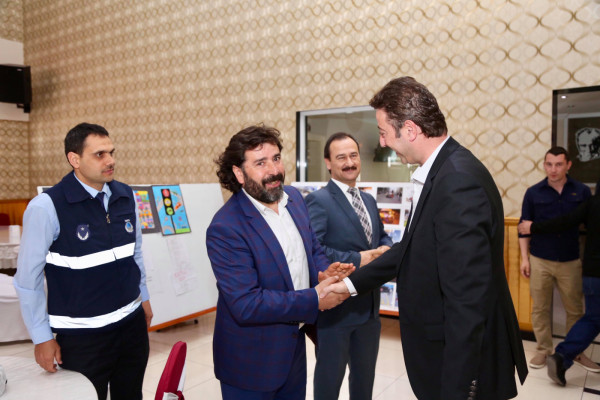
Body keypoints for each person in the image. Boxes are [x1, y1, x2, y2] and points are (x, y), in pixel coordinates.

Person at [320, 76, 528, 399]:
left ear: (410, 129)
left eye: (383, 132)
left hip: (460, 364)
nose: (383, 143)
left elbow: (465, 302)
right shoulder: (443, 171)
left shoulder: (457, 182)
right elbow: (409, 249)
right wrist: (349, 286)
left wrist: (457, 391)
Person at [205, 124, 353, 400]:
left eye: (276, 158)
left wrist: (324, 271)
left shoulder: (294, 198)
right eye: (260, 163)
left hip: (293, 348)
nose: (274, 170)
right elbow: (246, 304)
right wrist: (314, 299)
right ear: (239, 173)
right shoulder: (226, 228)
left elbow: (312, 249)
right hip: (251, 361)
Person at [13, 123, 153, 400]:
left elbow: (134, 254)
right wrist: (42, 337)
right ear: (74, 159)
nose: (110, 161)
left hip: (132, 326)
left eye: (111, 152)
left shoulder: (125, 196)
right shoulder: (46, 207)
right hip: (83, 338)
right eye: (99, 154)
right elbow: (28, 280)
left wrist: (144, 298)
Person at [305, 132, 393, 400]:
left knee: (364, 379)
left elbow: (380, 237)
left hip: (370, 309)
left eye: (353, 155)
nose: (349, 162)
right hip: (336, 311)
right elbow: (315, 249)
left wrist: (387, 249)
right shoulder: (319, 200)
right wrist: (361, 258)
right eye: (341, 157)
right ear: (328, 163)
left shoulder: (368, 200)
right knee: (329, 380)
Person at [518, 183, 600, 386]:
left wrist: (534, 227)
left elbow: (571, 222)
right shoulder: (534, 192)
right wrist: (524, 258)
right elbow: (525, 226)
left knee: (577, 311)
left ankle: (574, 353)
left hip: (571, 260)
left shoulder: (582, 192)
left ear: (568, 167)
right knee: (541, 307)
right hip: (541, 258)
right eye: (549, 166)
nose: (553, 169)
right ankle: (545, 350)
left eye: (559, 166)